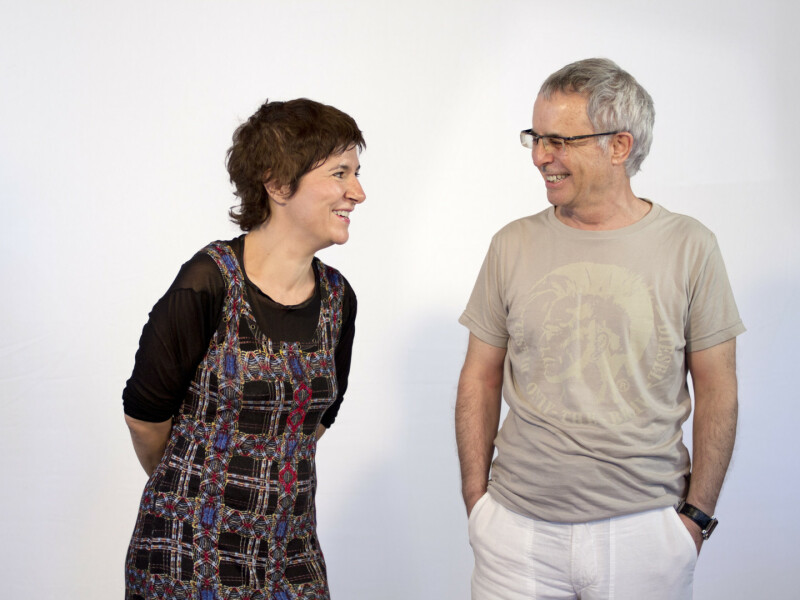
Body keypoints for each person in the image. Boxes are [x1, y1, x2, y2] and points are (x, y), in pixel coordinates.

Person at [455, 58, 744, 600]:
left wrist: (696, 519)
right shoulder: (511, 244)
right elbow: (480, 377)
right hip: (515, 531)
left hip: (644, 535)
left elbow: (718, 389)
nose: (541, 156)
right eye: (536, 138)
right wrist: (478, 503)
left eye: (559, 140)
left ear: (620, 146)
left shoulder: (690, 246)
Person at [122, 98, 366, 600]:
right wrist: (198, 485)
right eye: (340, 173)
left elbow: (318, 419)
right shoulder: (208, 282)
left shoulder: (338, 299)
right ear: (277, 184)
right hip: (187, 550)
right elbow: (145, 417)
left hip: (291, 551)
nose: (357, 193)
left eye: (356, 173)